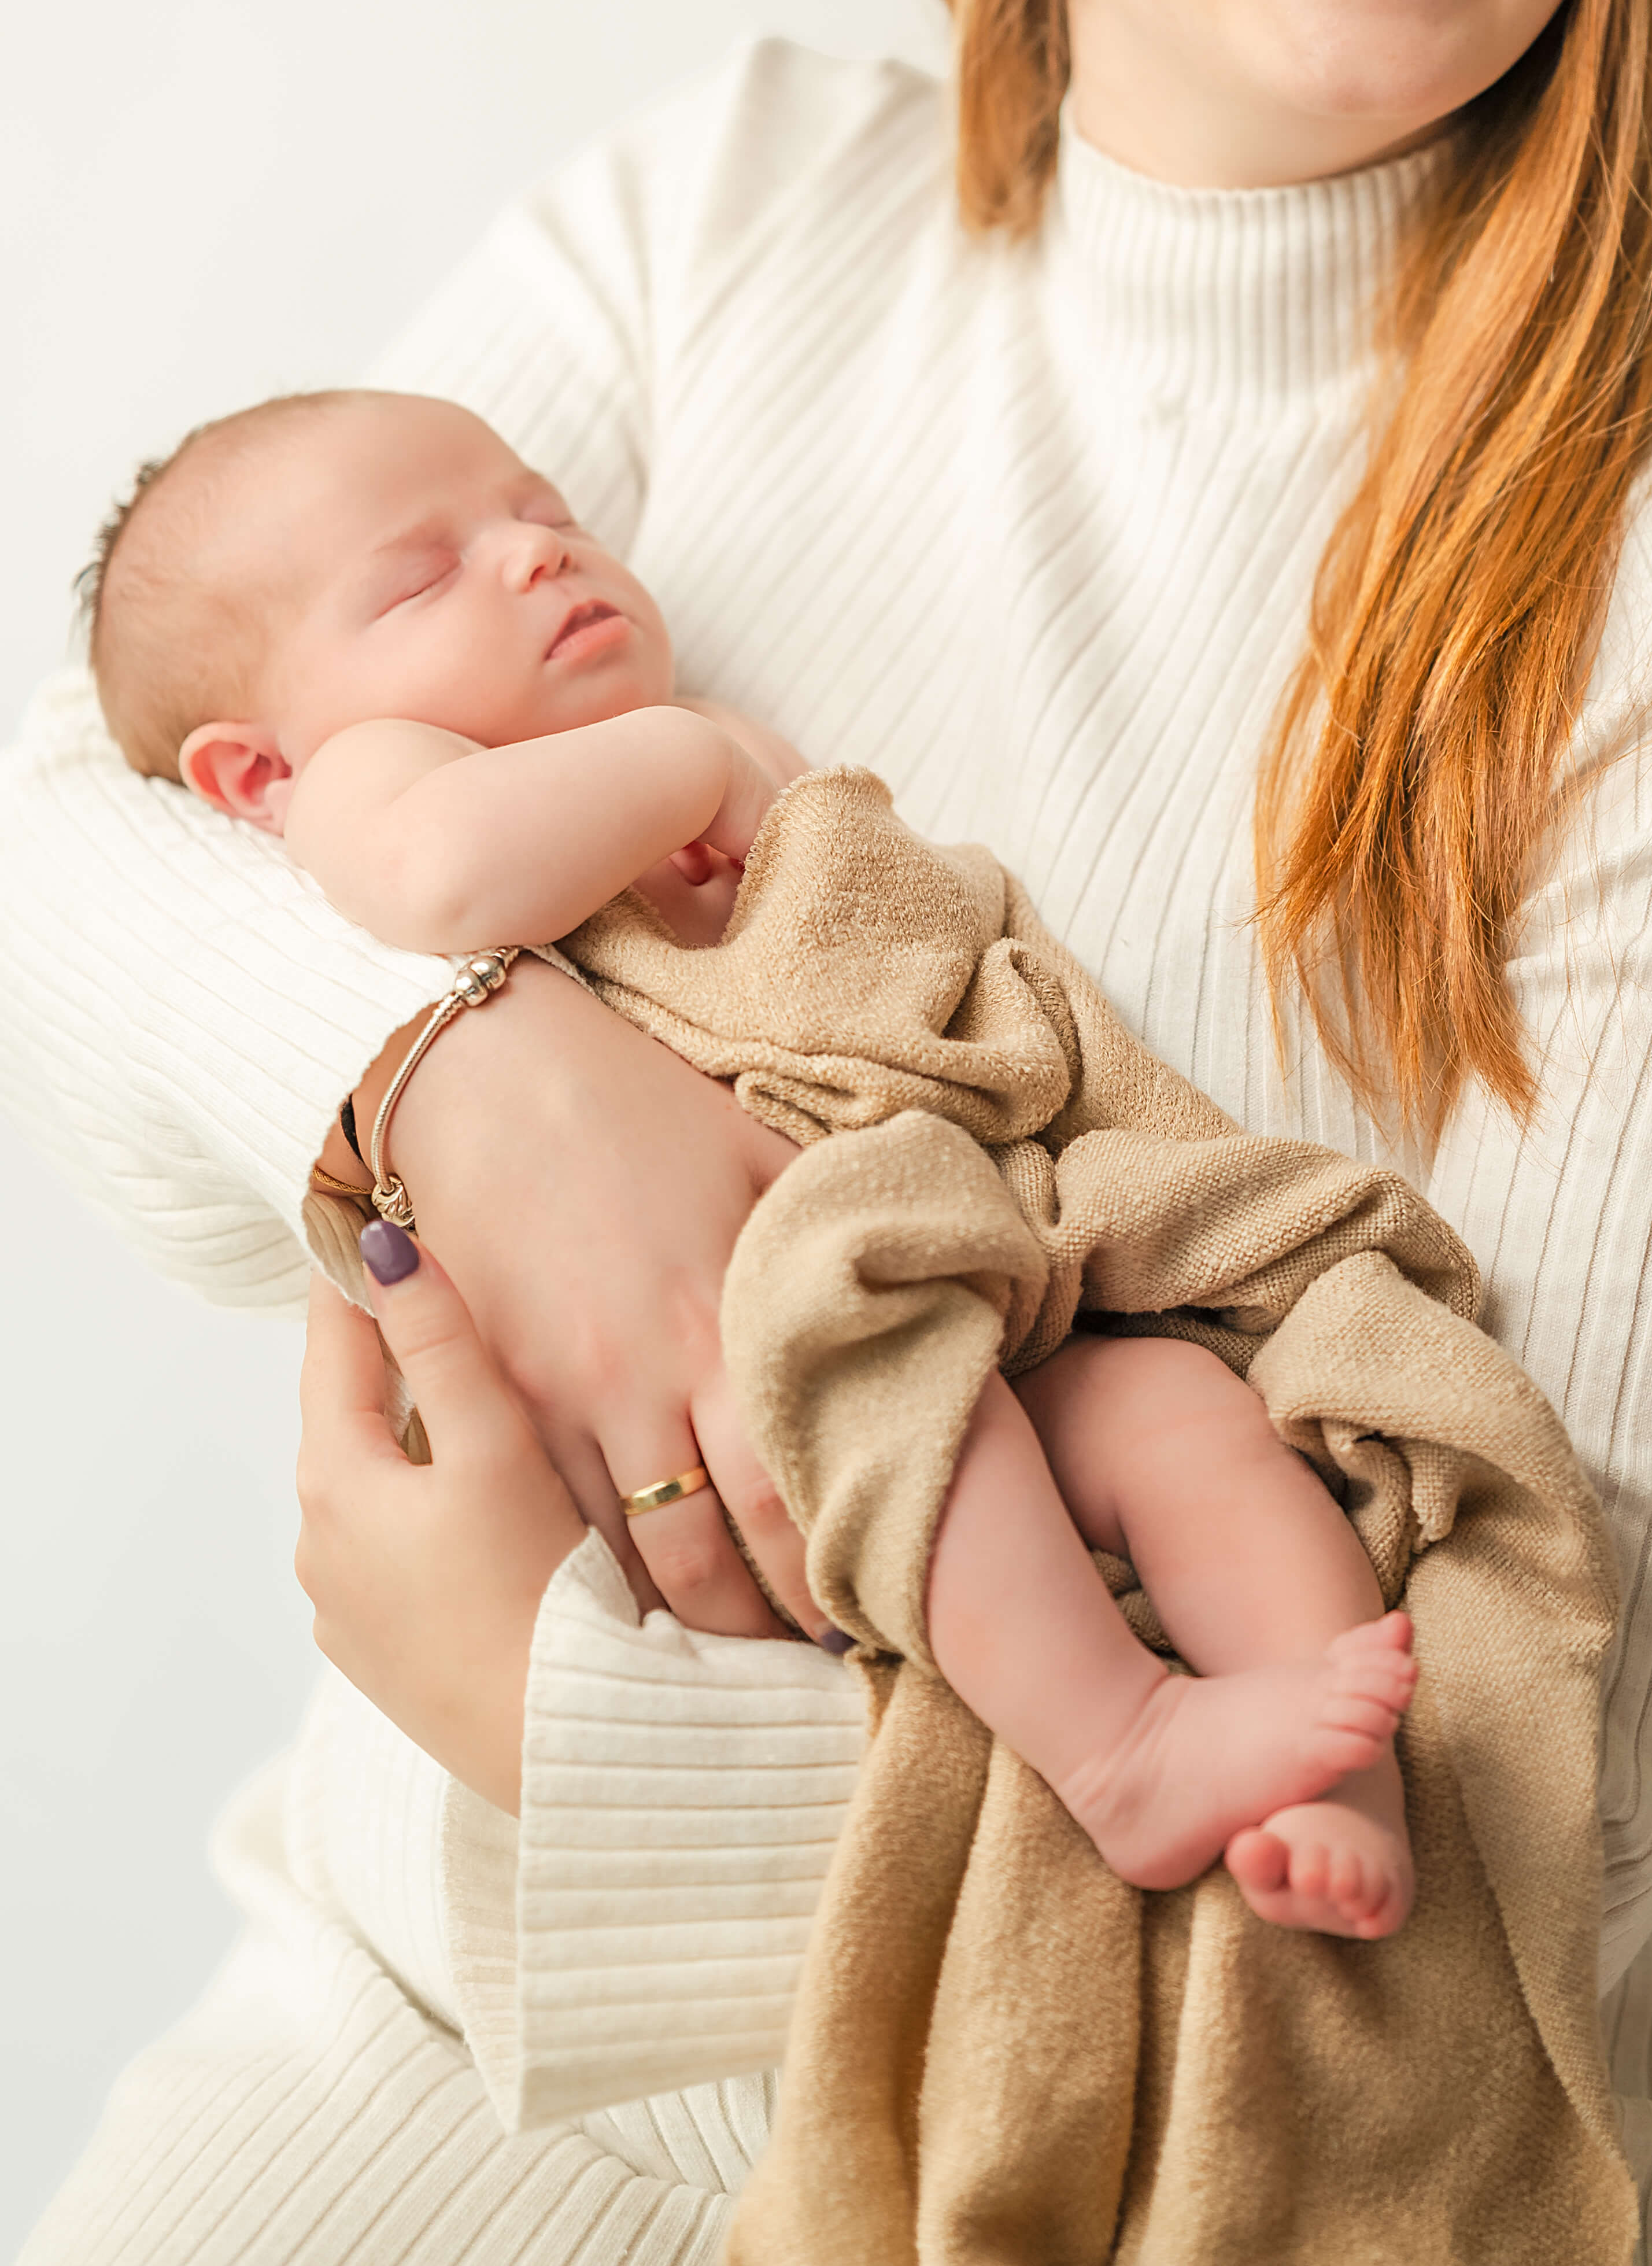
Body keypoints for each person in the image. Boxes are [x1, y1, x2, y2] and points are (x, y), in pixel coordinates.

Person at [0, 0, 1652, 2265]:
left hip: (1264, 2168)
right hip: (427, 2048)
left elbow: (1470, 1889)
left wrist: (554, 1727)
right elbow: (91, 833)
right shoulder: (730, 226)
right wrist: (467, 1074)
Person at [84, 381, 1425, 1937]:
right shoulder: (377, 773)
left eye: (547, 515)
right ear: (259, 778)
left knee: (1186, 1417)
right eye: (420, 576)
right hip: (799, 1327)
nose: (532, 555)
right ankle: (1124, 1749)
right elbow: (443, 875)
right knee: (898, 1381)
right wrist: (684, 767)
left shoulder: (682, 740)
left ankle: (1338, 1789)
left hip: (945, 1252)